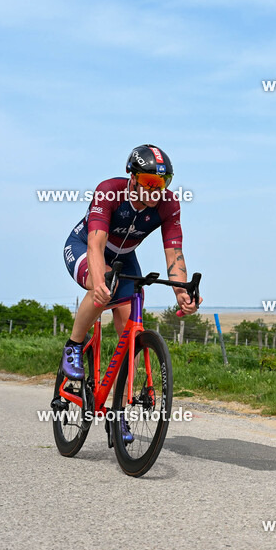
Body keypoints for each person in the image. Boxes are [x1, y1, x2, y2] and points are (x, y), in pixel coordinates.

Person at [60, 144, 199, 386]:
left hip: (124, 257)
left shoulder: (169, 204)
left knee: (130, 336)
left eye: (163, 182)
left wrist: (181, 291)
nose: (155, 190)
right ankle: (73, 346)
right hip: (84, 246)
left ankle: (120, 413)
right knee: (101, 284)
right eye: (149, 181)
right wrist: (100, 282)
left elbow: (174, 254)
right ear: (132, 178)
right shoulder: (109, 192)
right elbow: (96, 245)